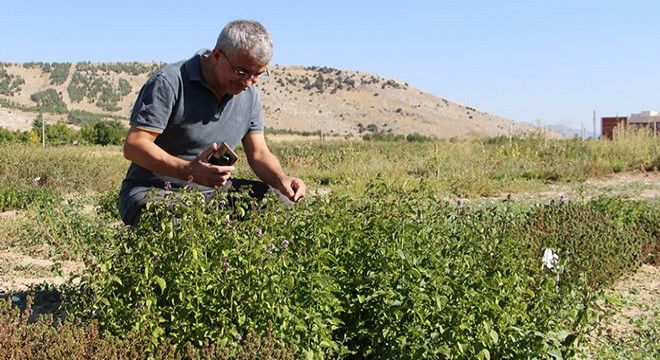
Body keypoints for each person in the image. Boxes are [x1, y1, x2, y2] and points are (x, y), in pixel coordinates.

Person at [118, 19, 306, 226]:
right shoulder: (169, 82)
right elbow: (134, 146)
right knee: (178, 229)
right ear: (217, 55)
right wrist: (188, 171)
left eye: (258, 74)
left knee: (281, 204)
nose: (248, 83)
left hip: (215, 194)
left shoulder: (250, 94)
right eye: (242, 72)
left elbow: (259, 153)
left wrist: (282, 179)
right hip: (155, 191)